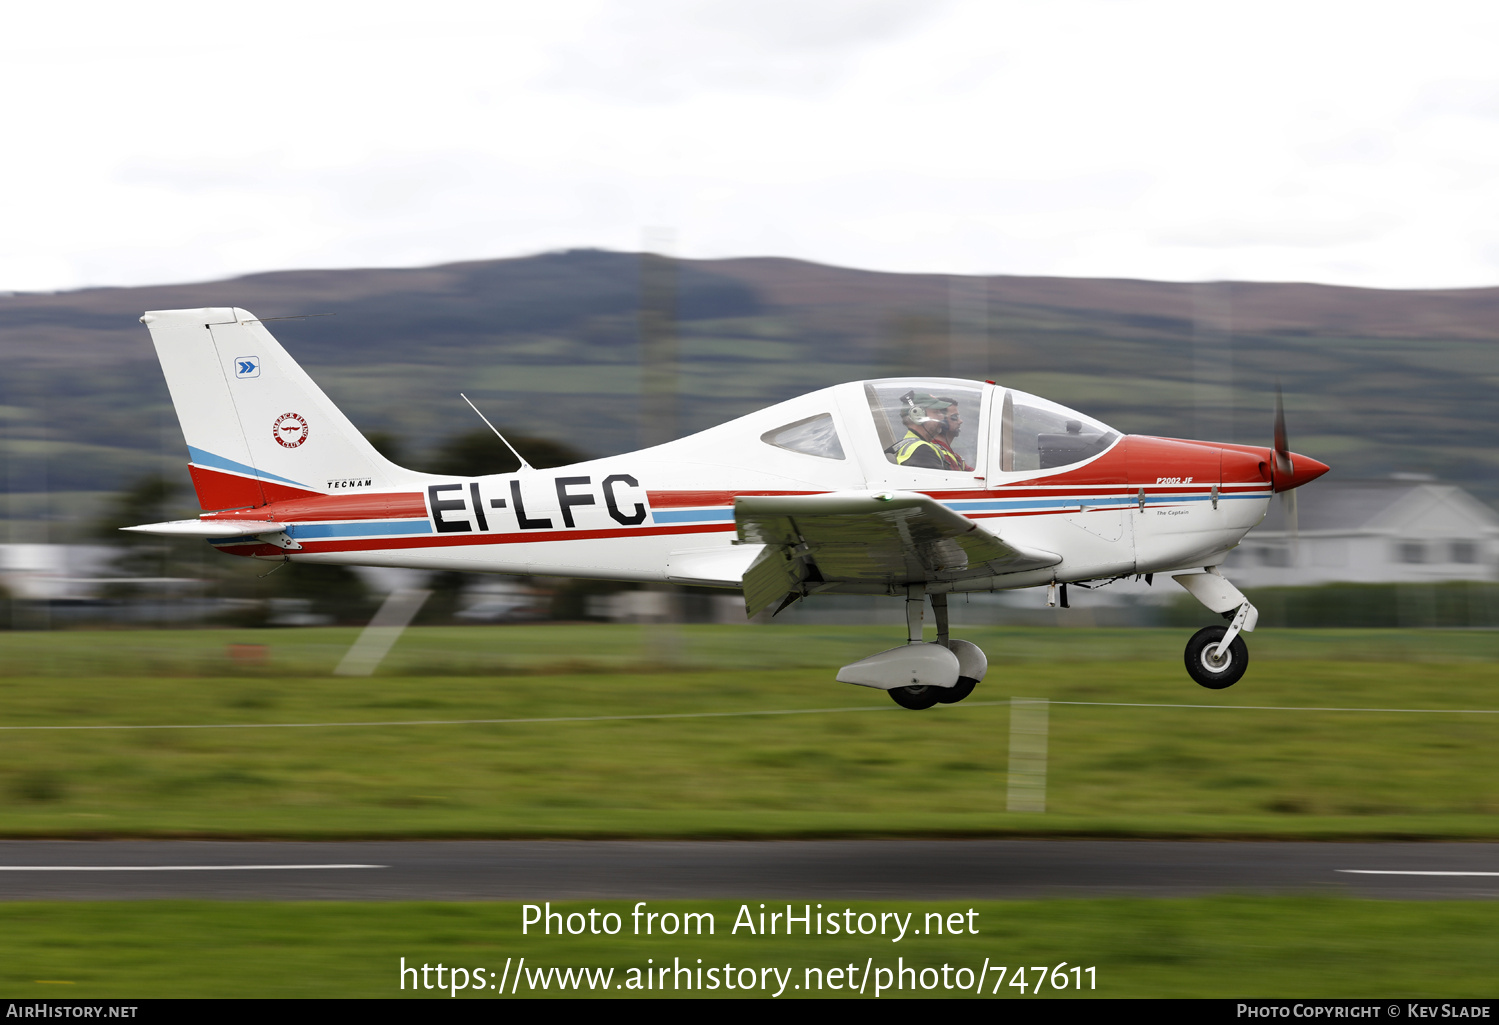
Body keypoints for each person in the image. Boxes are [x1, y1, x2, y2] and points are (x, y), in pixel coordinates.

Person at [890, 391, 972, 471]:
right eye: (936, 412)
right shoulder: (921, 451)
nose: (942, 417)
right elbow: (941, 483)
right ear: (918, 416)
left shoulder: (920, 446)